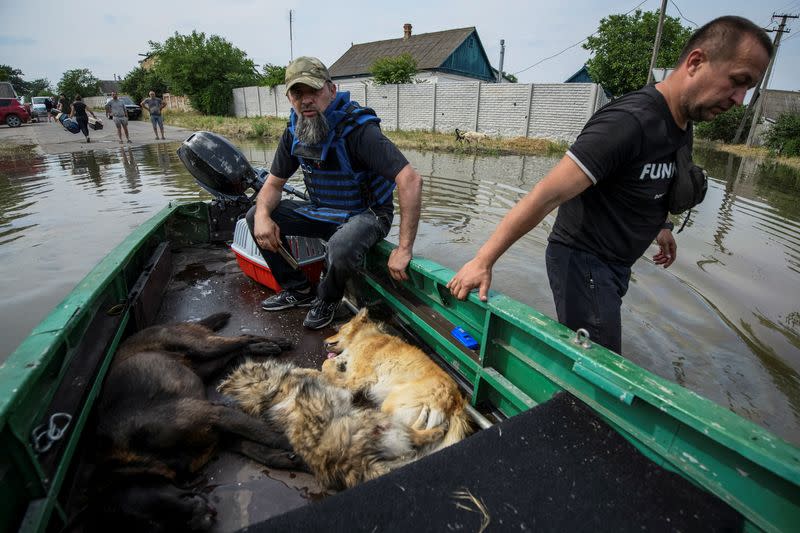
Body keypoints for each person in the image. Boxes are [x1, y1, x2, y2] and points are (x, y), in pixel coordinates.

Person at [447, 16, 772, 354]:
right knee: (600, 377)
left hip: (616, 266)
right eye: (738, 81)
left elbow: (643, 180)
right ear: (695, 62)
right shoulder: (628, 122)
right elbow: (544, 196)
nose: (739, 98)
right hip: (584, 261)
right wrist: (482, 261)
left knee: (595, 361)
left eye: (747, 89)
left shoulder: (682, 122)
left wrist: (660, 225)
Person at [246, 56, 423, 329]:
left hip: (367, 214)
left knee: (341, 247)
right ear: (289, 97)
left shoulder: (359, 130)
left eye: (313, 91)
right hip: (324, 211)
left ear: (331, 90)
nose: (306, 100)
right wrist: (261, 215)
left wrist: (404, 248)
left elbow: (410, 180)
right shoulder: (294, 131)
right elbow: (273, 185)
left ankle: (327, 299)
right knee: (255, 215)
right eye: (297, 93)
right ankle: (298, 290)